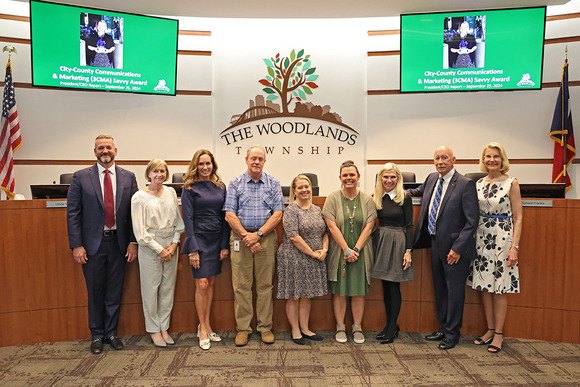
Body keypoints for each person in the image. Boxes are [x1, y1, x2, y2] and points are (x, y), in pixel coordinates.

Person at [66, 134, 138, 354]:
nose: (104, 151)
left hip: (120, 243)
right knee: (95, 291)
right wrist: (77, 245)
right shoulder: (81, 177)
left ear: (116, 150)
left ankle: (111, 333)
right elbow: (73, 213)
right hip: (92, 246)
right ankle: (97, 335)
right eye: (100, 148)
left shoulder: (128, 177)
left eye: (108, 147)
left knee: (115, 291)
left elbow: (135, 213)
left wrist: (133, 242)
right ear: (94, 151)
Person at [407, 146, 478, 350]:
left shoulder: (465, 184)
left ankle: (452, 334)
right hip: (434, 243)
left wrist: (457, 248)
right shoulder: (431, 178)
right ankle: (443, 328)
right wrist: (390, 191)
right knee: (440, 289)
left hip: (455, 248)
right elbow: (416, 192)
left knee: (455, 291)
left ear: (453, 159)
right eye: (437, 158)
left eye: (444, 158)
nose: (440, 161)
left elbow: (472, 221)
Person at [223, 145, 284, 347]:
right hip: (241, 238)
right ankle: (243, 329)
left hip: (265, 238)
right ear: (246, 160)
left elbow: (278, 214)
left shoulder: (273, 183)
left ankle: (265, 327)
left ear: (264, 161)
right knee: (241, 286)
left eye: (260, 159)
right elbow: (229, 214)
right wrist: (246, 236)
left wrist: (257, 235)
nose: (256, 162)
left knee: (265, 285)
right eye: (253, 158)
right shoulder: (235, 183)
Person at [467, 142, 523, 354]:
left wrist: (514, 247)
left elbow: (518, 218)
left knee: (499, 288)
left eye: (495, 157)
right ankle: (489, 330)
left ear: (502, 159)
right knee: (484, 287)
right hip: (481, 238)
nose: (491, 160)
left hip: (502, 239)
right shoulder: (478, 183)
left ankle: (499, 334)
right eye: (488, 156)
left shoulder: (511, 183)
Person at [131, 159, 184, 347]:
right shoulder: (139, 197)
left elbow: (178, 223)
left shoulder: (170, 192)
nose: (159, 174)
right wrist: (159, 249)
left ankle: (164, 327)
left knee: (168, 289)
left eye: (162, 171)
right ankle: (153, 329)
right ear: (148, 174)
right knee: (151, 290)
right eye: (155, 171)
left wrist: (174, 245)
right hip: (150, 247)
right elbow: (140, 231)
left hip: (170, 245)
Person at [322, 160, 377, 344]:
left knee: (358, 291)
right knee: (340, 291)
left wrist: (356, 249)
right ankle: (340, 327)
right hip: (340, 251)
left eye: (352, 175)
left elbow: (369, 227)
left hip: (361, 252)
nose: (348, 178)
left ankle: (357, 327)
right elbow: (331, 226)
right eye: (345, 175)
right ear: (340, 178)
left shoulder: (368, 200)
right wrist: (346, 250)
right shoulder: (332, 198)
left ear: (358, 177)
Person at [181, 150, 230, 351]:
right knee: (201, 283)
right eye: (201, 164)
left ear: (213, 165)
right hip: (199, 239)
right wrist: (193, 249)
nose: (205, 167)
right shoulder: (189, 187)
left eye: (208, 163)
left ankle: (207, 325)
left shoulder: (220, 187)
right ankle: (201, 329)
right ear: (196, 165)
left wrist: (224, 245)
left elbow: (225, 216)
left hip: (216, 238)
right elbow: (188, 218)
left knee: (210, 282)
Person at [277, 175, 329, 345]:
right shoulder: (291, 210)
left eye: (306, 186)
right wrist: (313, 253)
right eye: (300, 187)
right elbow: (293, 237)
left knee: (307, 295)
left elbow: (324, 233)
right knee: (294, 295)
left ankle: (305, 328)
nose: (304, 190)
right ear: (294, 191)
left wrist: (324, 250)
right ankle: (295, 330)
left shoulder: (316, 209)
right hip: (294, 258)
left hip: (313, 258)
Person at [372, 163, 414, 344]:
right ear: (380, 178)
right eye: (386, 177)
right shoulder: (376, 197)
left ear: (398, 178)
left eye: (393, 177)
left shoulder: (405, 197)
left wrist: (408, 251)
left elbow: (410, 225)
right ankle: (390, 325)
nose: (389, 180)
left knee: (393, 286)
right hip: (381, 241)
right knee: (384, 285)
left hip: (398, 242)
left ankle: (392, 326)